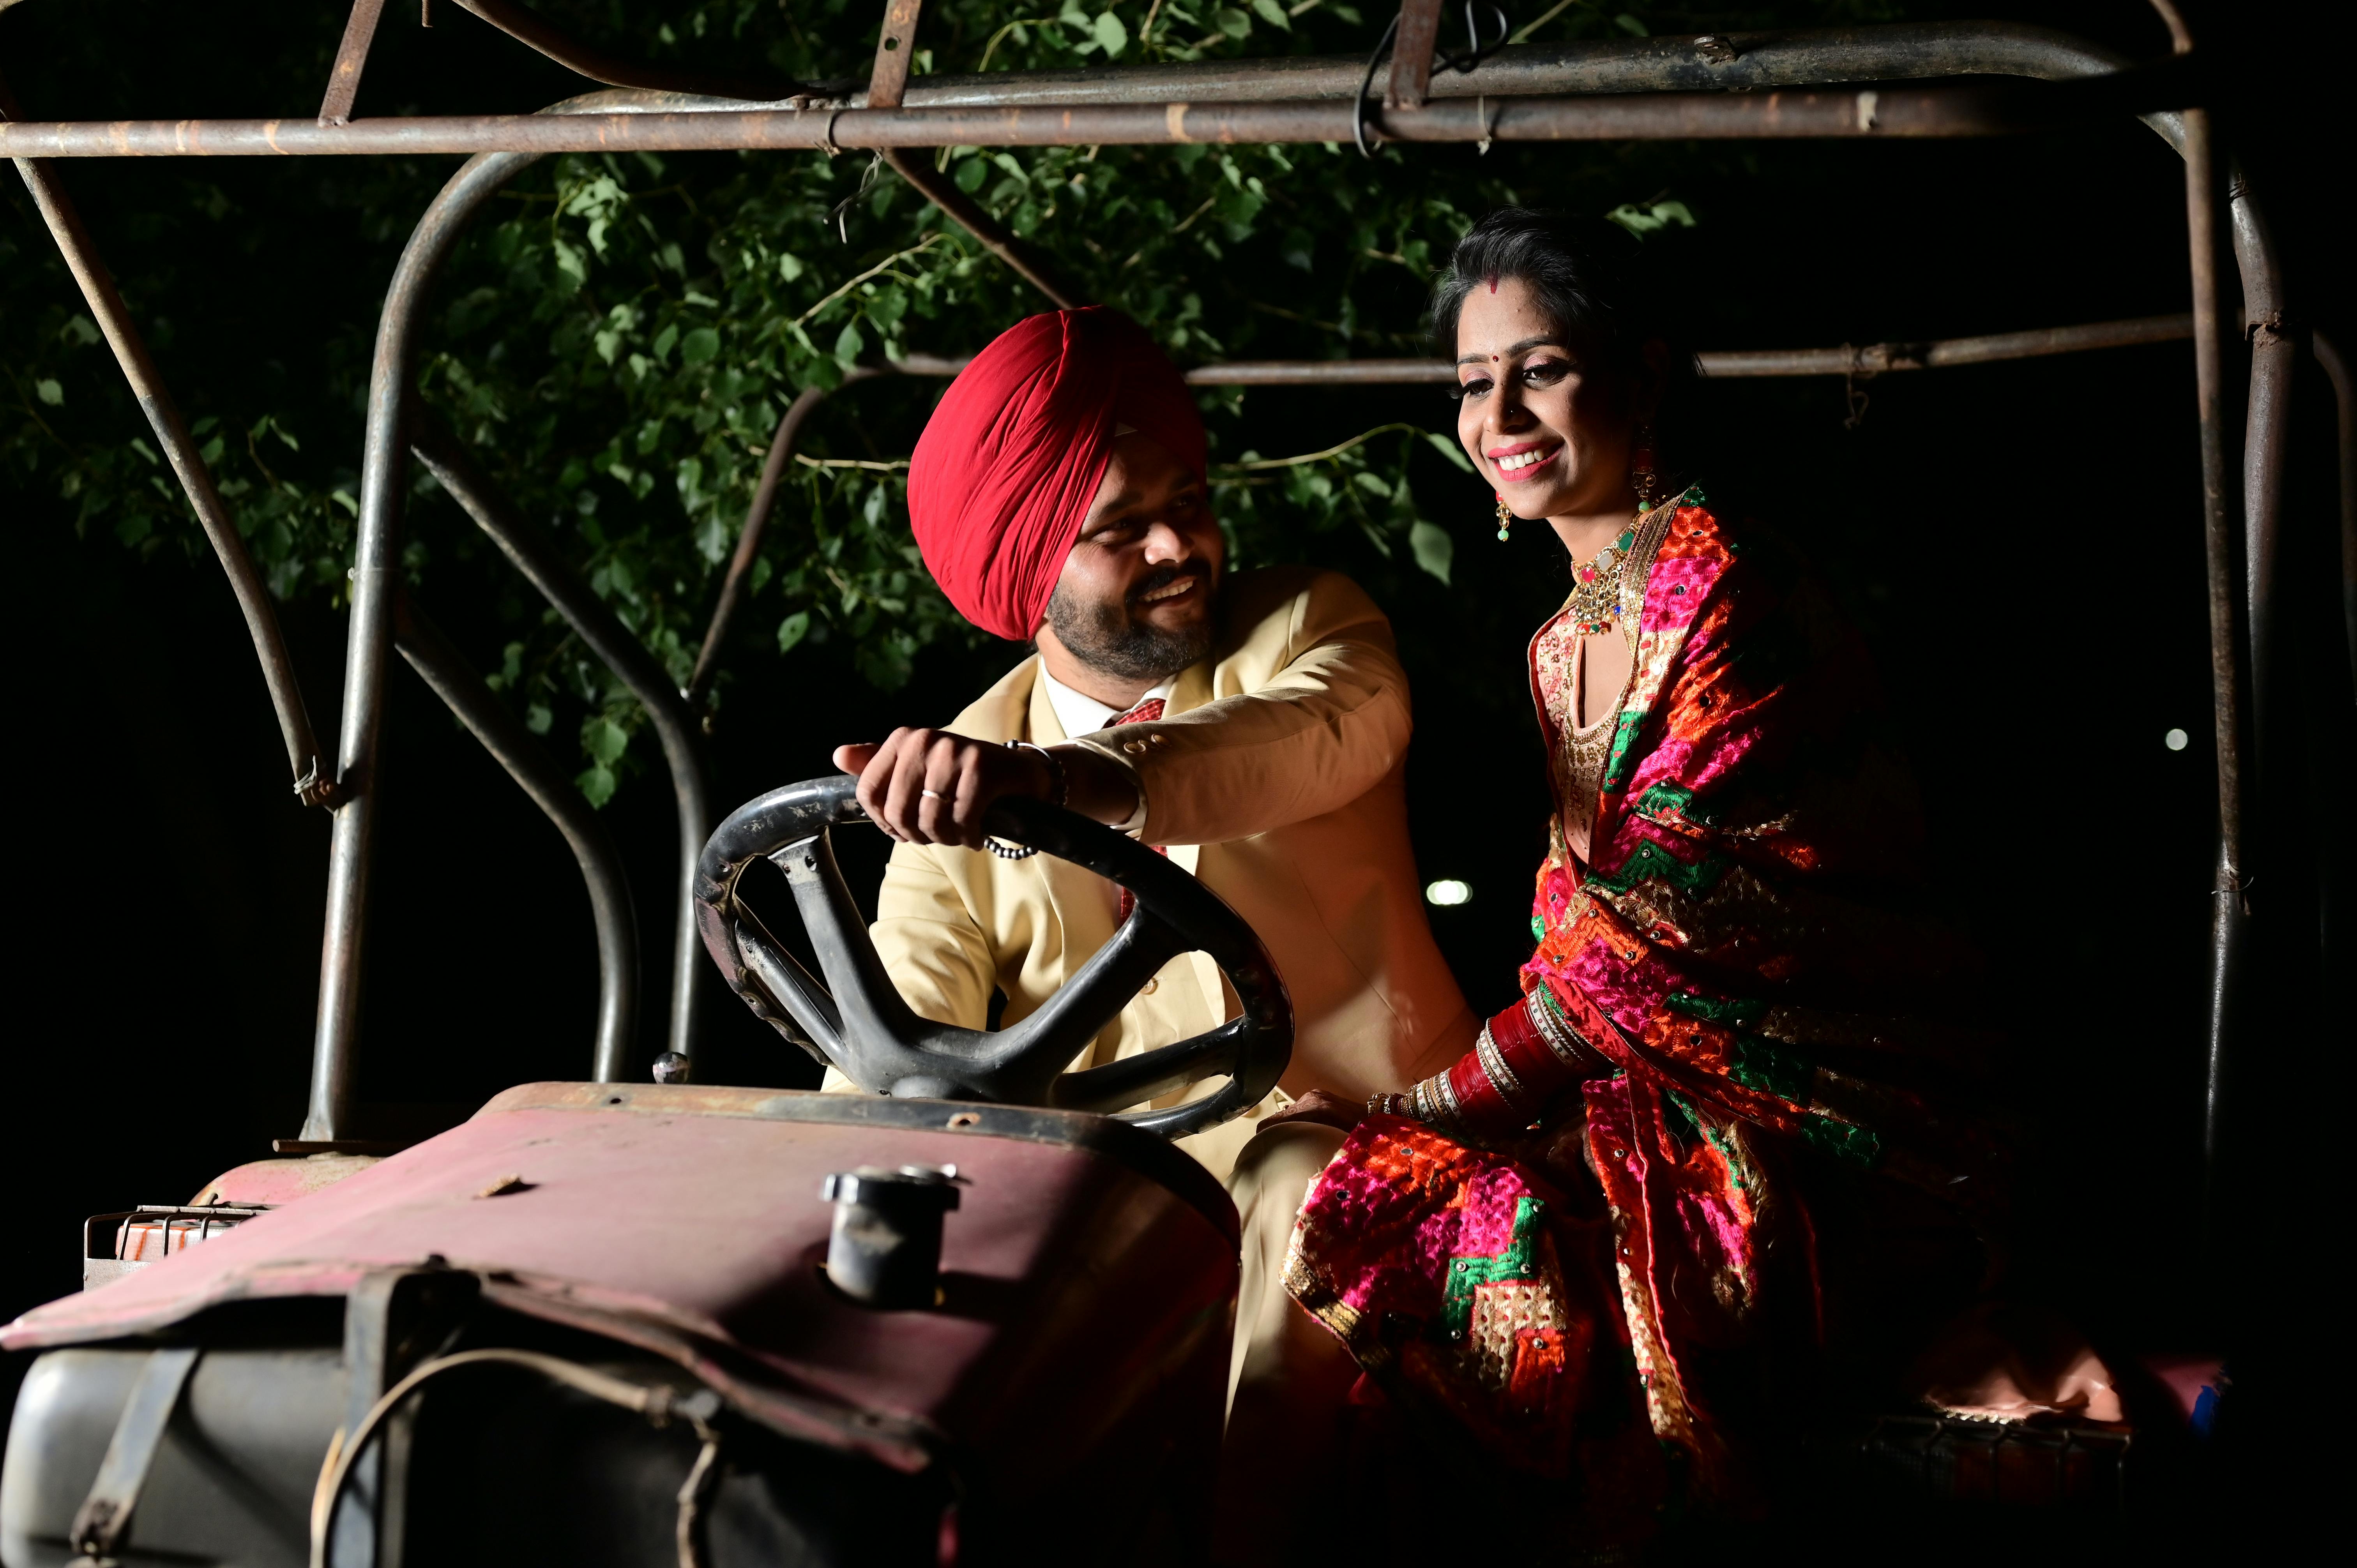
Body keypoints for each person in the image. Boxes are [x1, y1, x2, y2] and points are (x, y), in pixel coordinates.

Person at [1274, 210, 2113, 1552]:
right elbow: (1581, 941)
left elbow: (1653, 942)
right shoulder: (1565, 638)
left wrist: (1431, 1100)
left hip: (1837, 1113)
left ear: (1644, 375)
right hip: (1653, 1082)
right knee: (1395, 1220)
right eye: (1470, 383)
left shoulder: (1730, 590)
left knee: (1463, 1230)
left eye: (1538, 370)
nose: (1498, 412)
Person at [824, 305, 1477, 1549]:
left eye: (1190, 500)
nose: (1184, 544)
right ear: (1033, 571)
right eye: (1123, 528)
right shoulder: (950, 798)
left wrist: (1068, 784)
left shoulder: (1308, 629)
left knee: (1294, 1175)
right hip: (1128, 1229)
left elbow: (1317, 736)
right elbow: (894, 1062)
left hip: (1388, 1154)